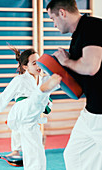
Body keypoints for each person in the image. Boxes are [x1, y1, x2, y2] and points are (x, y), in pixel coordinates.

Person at [46, 0, 102, 170]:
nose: (54, 24)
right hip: (91, 111)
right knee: (73, 154)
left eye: (52, 18)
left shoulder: (92, 26)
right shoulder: (77, 36)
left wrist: (67, 61)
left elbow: (91, 67)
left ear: (62, 13)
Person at [0, 47, 62, 170]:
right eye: (34, 63)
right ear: (25, 67)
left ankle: (43, 93)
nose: (38, 65)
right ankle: (42, 92)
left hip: (32, 118)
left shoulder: (44, 79)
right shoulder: (19, 80)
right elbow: (3, 99)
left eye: (39, 61)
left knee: (36, 151)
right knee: (41, 94)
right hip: (20, 113)